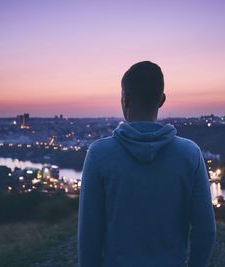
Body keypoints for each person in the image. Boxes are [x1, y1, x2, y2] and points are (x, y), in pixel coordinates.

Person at [78, 61, 216, 267]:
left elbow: (89, 234)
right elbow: (205, 229)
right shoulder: (190, 154)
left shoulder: (99, 154)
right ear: (161, 100)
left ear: (125, 100)